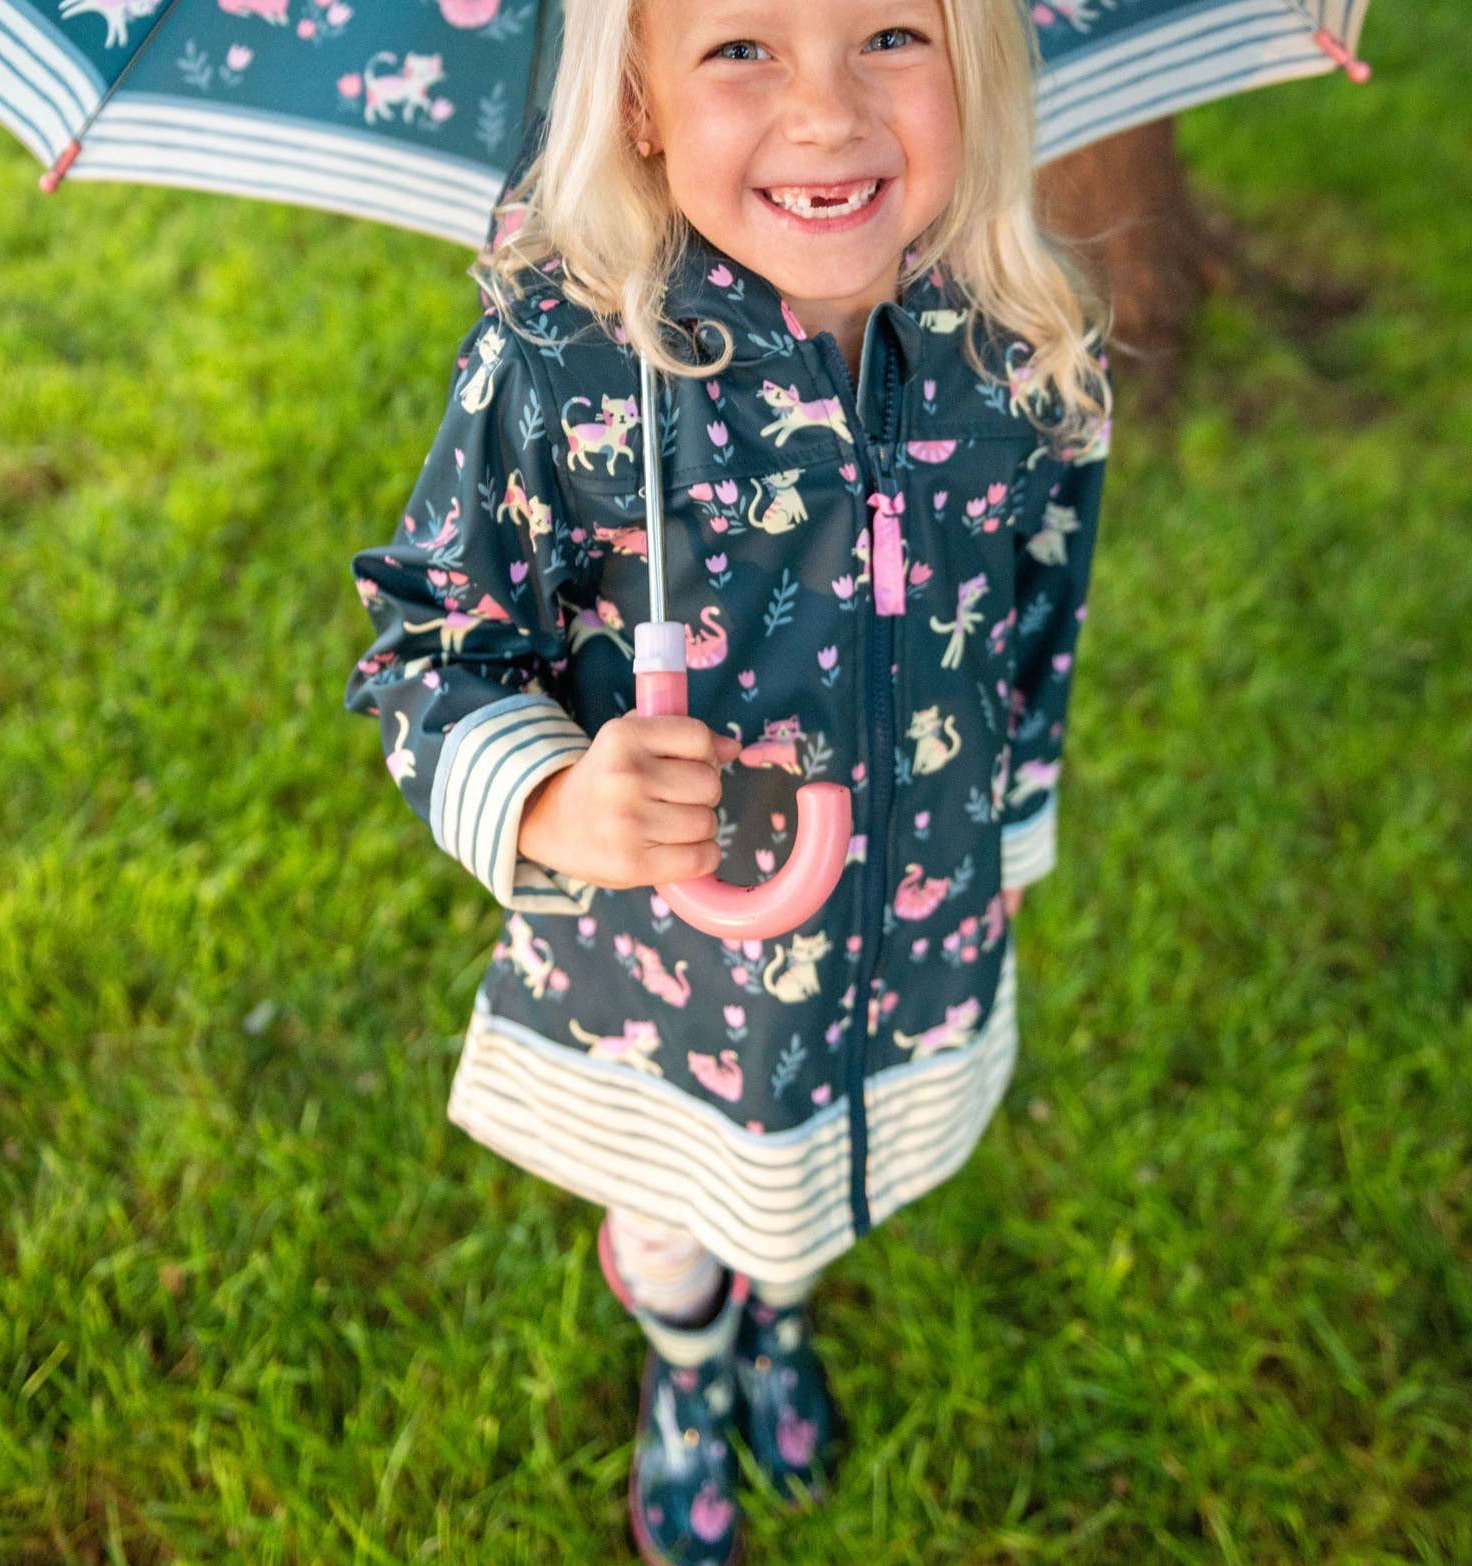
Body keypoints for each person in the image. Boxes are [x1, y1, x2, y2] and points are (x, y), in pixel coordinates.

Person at [345, 1, 1112, 1558]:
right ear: (636, 99)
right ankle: (688, 1367)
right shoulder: (567, 357)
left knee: (817, 1191)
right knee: (684, 1207)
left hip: (907, 921)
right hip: (671, 962)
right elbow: (427, 645)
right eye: (742, 50)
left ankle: (777, 1317)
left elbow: (1039, 617)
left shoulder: (1013, 339)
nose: (826, 112)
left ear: (977, 62)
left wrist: (1002, 844)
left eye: (892, 33)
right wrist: (556, 799)